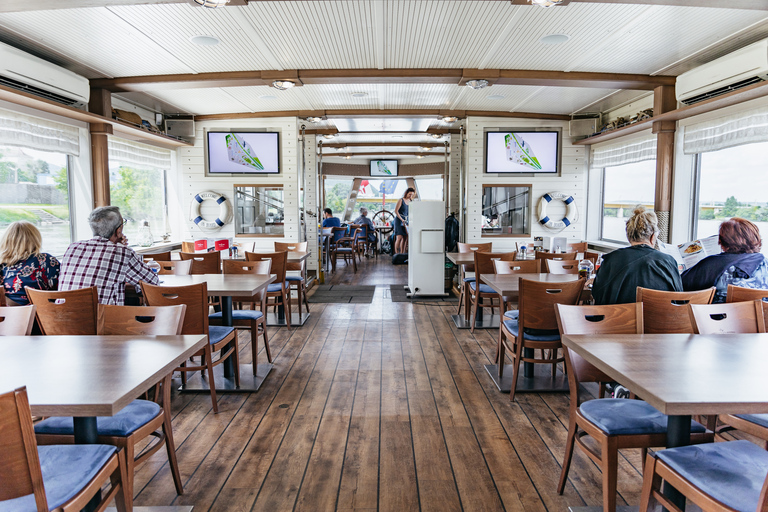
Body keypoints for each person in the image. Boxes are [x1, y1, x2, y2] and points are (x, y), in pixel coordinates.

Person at [59, 206, 159, 305]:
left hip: (58, 318)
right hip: (100, 320)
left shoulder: (73, 247)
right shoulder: (122, 253)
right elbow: (153, 284)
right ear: (118, 230)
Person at [592, 205, 682, 305]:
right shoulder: (669, 261)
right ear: (652, 237)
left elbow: (598, 295)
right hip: (662, 319)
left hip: (619, 319)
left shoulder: (611, 260)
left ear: (629, 237)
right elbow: (679, 298)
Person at [682, 217, 768, 303]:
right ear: (756, 239)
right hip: (760, 315)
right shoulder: (765, 263)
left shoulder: (712, 264)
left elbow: (680, 286)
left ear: (721, 241)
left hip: (717, 315)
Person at [0, 221, 60, 305]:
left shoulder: (2, 264)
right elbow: (61, 289)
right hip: (41, 315)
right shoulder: (45, 260)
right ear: (35, 239)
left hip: (8, 316)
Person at [394, 187, 415, 254]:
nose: (410, 196)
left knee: (405, 238)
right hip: (399, 220)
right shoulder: (401, 200)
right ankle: (397, 254)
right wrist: (402, 220)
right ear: (406, 193)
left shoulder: (411, 201)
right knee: (399, 237)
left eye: (412, 195)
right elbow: (396, 211)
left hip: (407, 221)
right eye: (409, 194)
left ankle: (402, 254)